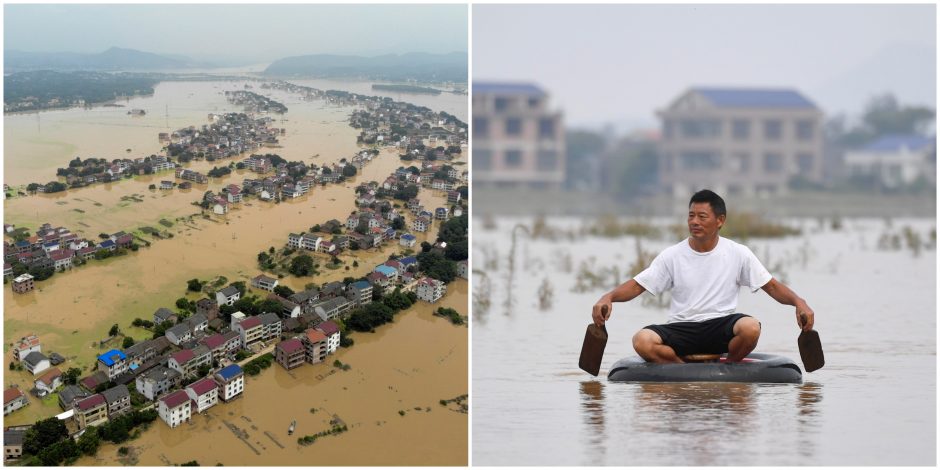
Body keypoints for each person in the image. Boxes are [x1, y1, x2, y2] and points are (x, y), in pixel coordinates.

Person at [591, 189, 815, 363]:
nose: (694, 222)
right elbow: (638, 285)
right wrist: (608, 297)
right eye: (691, 216)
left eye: (702, 216)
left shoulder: (738, 253)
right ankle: (679, 369)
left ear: (720, 220)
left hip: (720, 327)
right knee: (641, 341)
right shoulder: (672, 255)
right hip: (681, 328)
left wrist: (799, 302)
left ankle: (729, 367)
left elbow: (772, 287)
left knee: (751, 328)